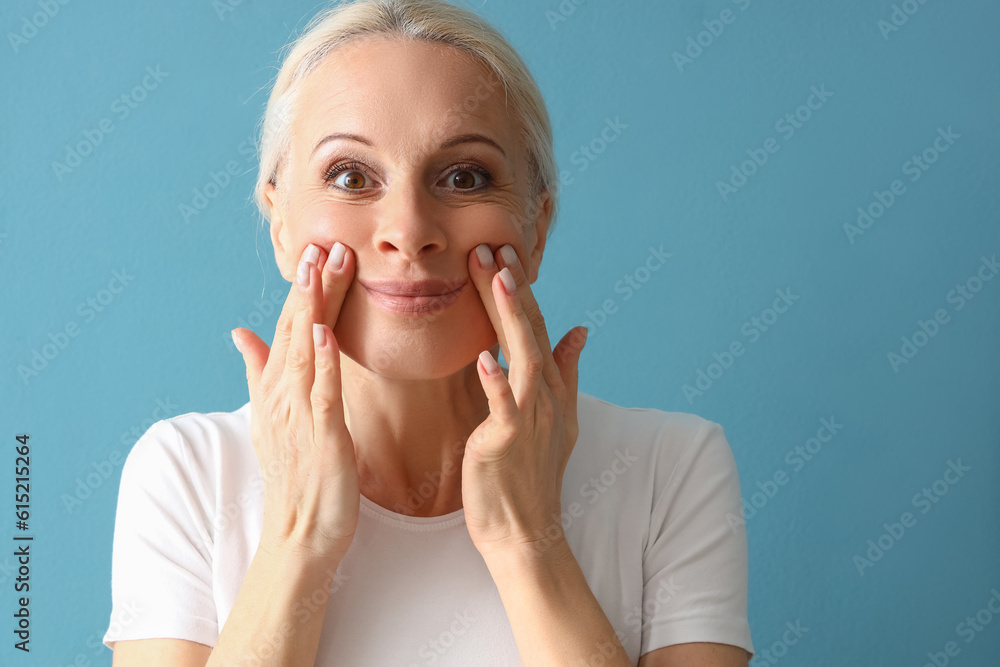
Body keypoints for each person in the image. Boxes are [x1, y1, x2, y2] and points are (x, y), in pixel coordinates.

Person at [102, 1, 754, 664]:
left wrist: (529, 541)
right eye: (351, 177)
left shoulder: (669, 470)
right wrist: (296, 541)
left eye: (465, 177)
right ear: (278, 221)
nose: (410, 231)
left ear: (537, 225)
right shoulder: (185, 473)